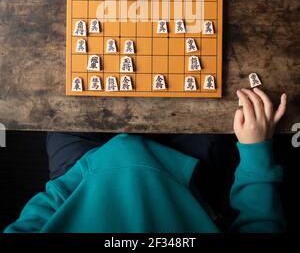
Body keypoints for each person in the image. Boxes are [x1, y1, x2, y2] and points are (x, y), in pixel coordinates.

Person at [4, 88, 287, 233]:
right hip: (190, 180)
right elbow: (260, 228)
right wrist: (255, 149)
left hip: (80, 173)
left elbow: (28, 226)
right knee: (217, 83)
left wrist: (74, 182)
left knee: (64, 75)